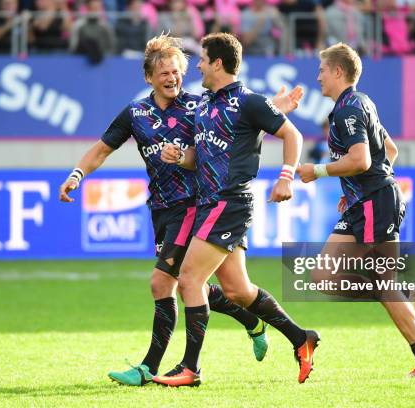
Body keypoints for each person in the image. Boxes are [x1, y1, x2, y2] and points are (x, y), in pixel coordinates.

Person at [59, 34, 302, 387]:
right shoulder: (136, 113)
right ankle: (255, 321)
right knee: (221, 287)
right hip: (162, 208)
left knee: (163, 282)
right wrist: (77, 174)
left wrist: (275, 108)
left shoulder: (199, 106)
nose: (172, 78)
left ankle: (150, 368)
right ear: (148, 78)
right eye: (164, 74)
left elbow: (238, 121)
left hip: (196, 205)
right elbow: (101, 149)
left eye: (176, 71)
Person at [153, 32, 319, 388]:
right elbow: (201, 157)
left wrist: (286, 177)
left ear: (217, 63)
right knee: (237, 290)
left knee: (189, 280)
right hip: (212, 203)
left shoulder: (248, 101)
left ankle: (190, 368)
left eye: (200, 60)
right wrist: (180, 157)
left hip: (228, 203)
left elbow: (293, 136)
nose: (196, 66)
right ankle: (301, 337)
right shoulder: (207, 103)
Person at [297, 42, 415, 378]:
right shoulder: (363, 102)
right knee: (375, 282)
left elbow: (362, 160)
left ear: (337, 71)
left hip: (374, 205)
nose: (317, 77)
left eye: (322, 70)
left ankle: (408, 304)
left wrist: (317, 171)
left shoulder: (348, 109)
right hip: (372, 201)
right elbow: (389, 150)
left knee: (325, 276)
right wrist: (355, 190)